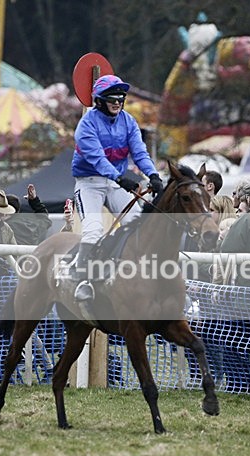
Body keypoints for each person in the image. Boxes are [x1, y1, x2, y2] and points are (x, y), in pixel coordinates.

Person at [70, 74, 162, 300]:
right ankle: (81, 280)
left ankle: (142, 277)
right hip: (89, 183)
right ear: (100, 100)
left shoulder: (129, 121)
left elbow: (139, 152)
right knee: (93, 229)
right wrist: (120, 178)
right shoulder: (86, 125)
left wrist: (153, 174)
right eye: (112, 98)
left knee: (137, 226)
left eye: (121, 98)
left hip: (115, 181)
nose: (117, 102)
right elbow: (98, 159)